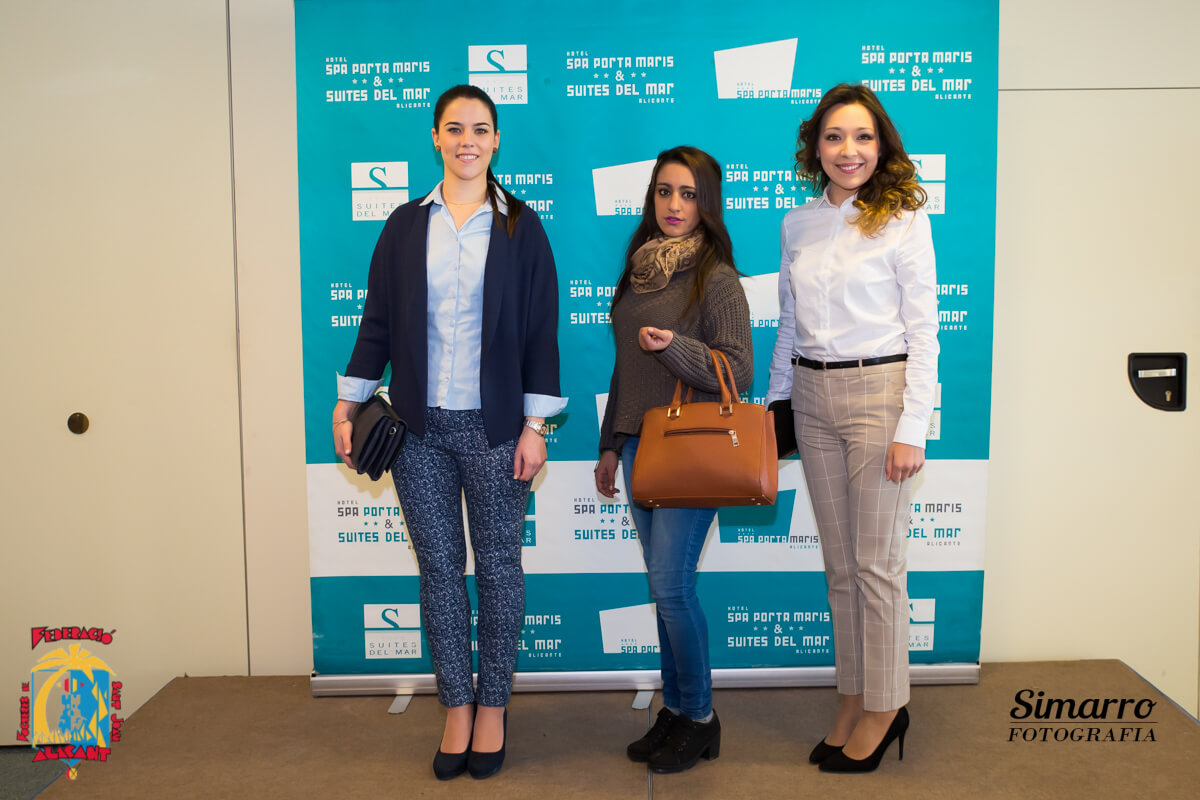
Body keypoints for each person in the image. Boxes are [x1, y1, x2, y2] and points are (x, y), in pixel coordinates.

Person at [332, 84, 564, 781]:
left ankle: (493, 708)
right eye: (455, 128)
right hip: (418, 432)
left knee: (498, 569)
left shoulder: (523, 227)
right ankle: (456, 707)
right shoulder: (405, 226)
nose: (468, 141)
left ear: (496, 140)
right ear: (436, 136)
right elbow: (376, 324)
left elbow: (541, 334)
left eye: (481, 129)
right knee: (438, 572)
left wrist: (535, 426)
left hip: (498, 431)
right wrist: (347, 405)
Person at [767, 83, 938, 773]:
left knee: (877, 566)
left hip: (879, 394)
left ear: (881, 145)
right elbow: (788, 322)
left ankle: (887, 707)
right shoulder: (798, 225)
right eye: (834, 137)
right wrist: (777, 405)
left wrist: (913, 425)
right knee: (840, 568)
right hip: (811, 395)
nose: (849, 150)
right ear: (815, 148)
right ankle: (854, 695)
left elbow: (924, 330)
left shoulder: (904, 218)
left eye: (863, 136)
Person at [595, 146, 752, 774]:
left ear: (706, 202)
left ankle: (702, 718)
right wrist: (610, 445)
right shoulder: (639, 272)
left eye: (688, 194)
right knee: (665, 591)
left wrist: (674, 347)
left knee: (671, 586)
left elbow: (737, 369)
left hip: (690, 448)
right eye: (664, 191)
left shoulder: (718, 278)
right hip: (639, 445)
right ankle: (678, 708)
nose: (674, 205)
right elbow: (625, 370)